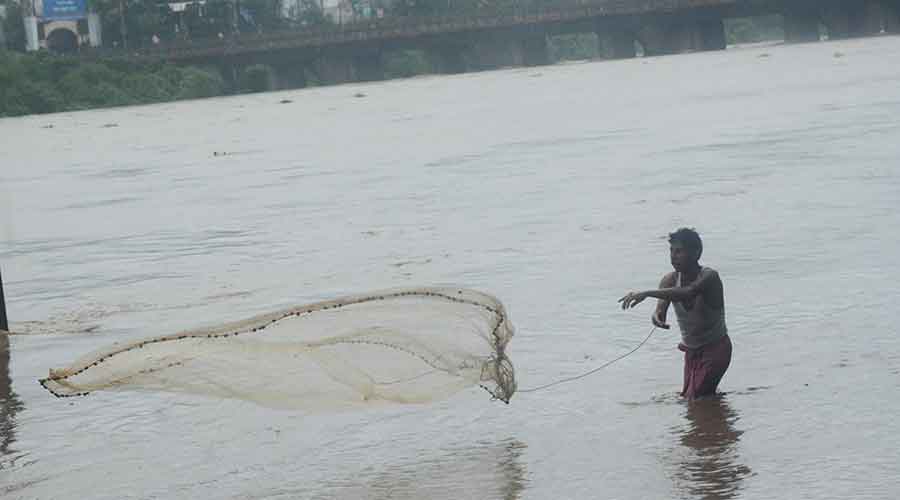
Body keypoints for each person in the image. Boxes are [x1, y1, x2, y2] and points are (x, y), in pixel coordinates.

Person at [619, 228, 732, 399]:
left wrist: (647, 293)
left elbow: (688, 292)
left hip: (716, 349)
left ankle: (715, 420)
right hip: (691, 352)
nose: (673, 256)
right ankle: (719, 414)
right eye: (671, 251)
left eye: (679, 251)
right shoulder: (669, 280)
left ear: (696, 253)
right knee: (690, 397)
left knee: (698, 398)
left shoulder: (709, 277)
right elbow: (660, 311)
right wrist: (657, 318)